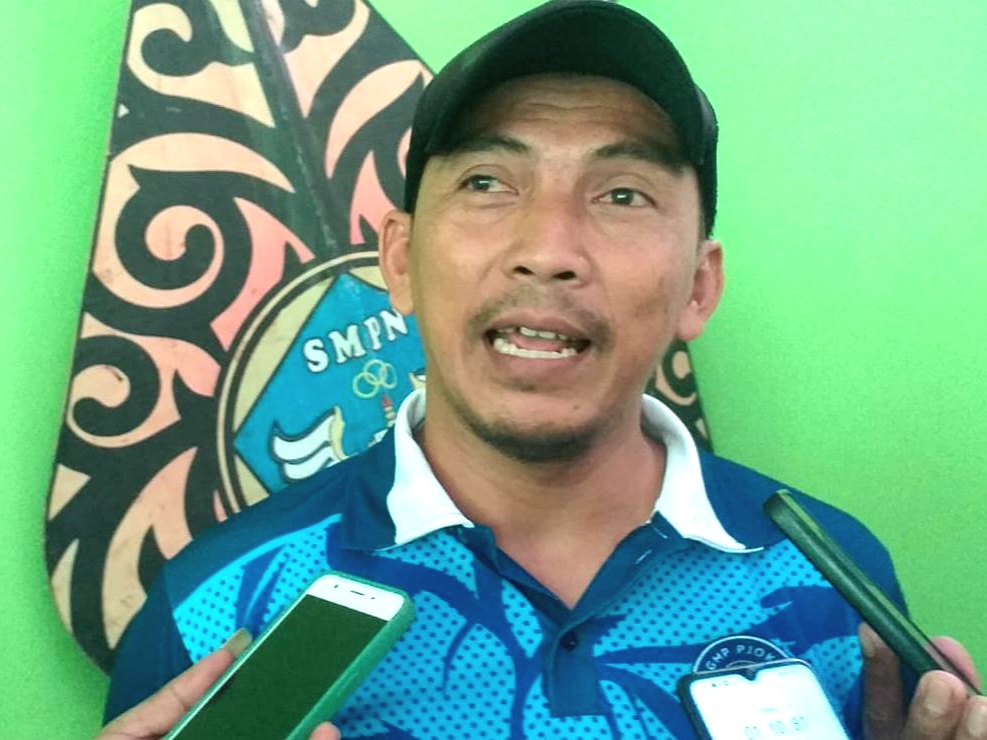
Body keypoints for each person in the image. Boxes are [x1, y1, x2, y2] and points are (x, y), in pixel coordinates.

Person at [98, 2, 986, 738]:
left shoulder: (832, 575)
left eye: (622, 193)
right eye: (487, 182)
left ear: (697, 287)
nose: (549, 248)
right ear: (400, 261)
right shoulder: (215, 607)